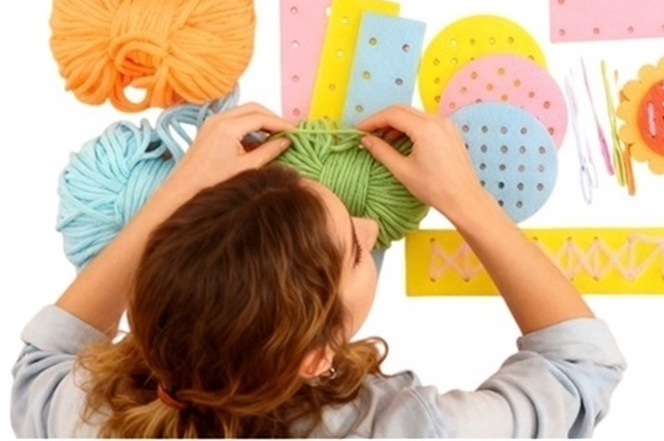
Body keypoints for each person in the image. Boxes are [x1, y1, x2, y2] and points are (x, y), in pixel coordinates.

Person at [11, 102, 625, 438]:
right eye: (355, 251)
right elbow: (581, 369)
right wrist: (465, 198)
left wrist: (175, 196)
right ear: (314, 358)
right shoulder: (409, 432)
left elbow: (42, 364)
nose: (370, 228)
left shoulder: (89, 418)